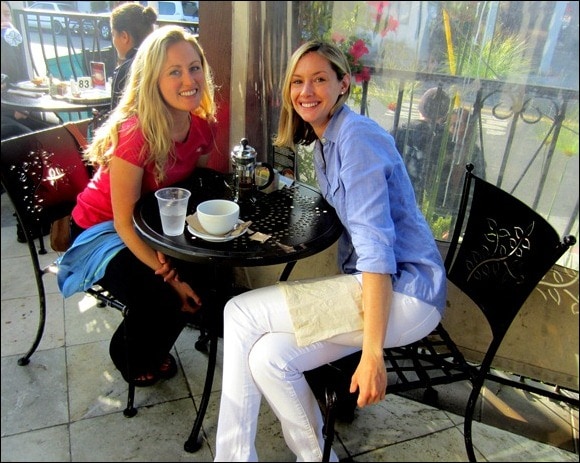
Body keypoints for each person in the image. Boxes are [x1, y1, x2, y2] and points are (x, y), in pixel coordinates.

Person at [213, 40, 447, 461]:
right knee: (268, 358)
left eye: (319, 79)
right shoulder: (327, 138)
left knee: (239, 313)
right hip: (382, 288)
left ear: (343, 84)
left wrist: (372, 355)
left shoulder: (356, 139)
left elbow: (377, 253)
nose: (306, 91)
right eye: (298, 81)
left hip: (403, 292)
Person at [56, 26, 220, 387]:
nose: (189, 80)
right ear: (153, 81)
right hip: (102, 229)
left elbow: (195, 186)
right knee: (163, 294)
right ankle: (127, 355)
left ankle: (153, 344)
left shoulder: (203, 127)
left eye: (194, 67)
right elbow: (122, 222)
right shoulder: (136, 134)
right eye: (174, 71)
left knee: (204, 280)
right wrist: (170, 276)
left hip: (151, 222)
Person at [1, 0, 58, 140]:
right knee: (25, 135)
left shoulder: (10, 43)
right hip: (5, 111)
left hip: (15, 104)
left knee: (56, 126)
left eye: (7, 14)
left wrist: (23, 105)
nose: (3, 20)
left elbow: (20, 79)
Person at [394, 86, 451, 208]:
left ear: (420, 107)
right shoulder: (447, 141)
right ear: (445, 114)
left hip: (396, 200)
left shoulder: (398, 132)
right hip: (428, 206)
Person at [109, 2, 157, 110]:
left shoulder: (124, 71)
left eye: (113, 34)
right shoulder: (163, 61)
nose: (113, 40)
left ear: (124, 37)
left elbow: (117, 116)